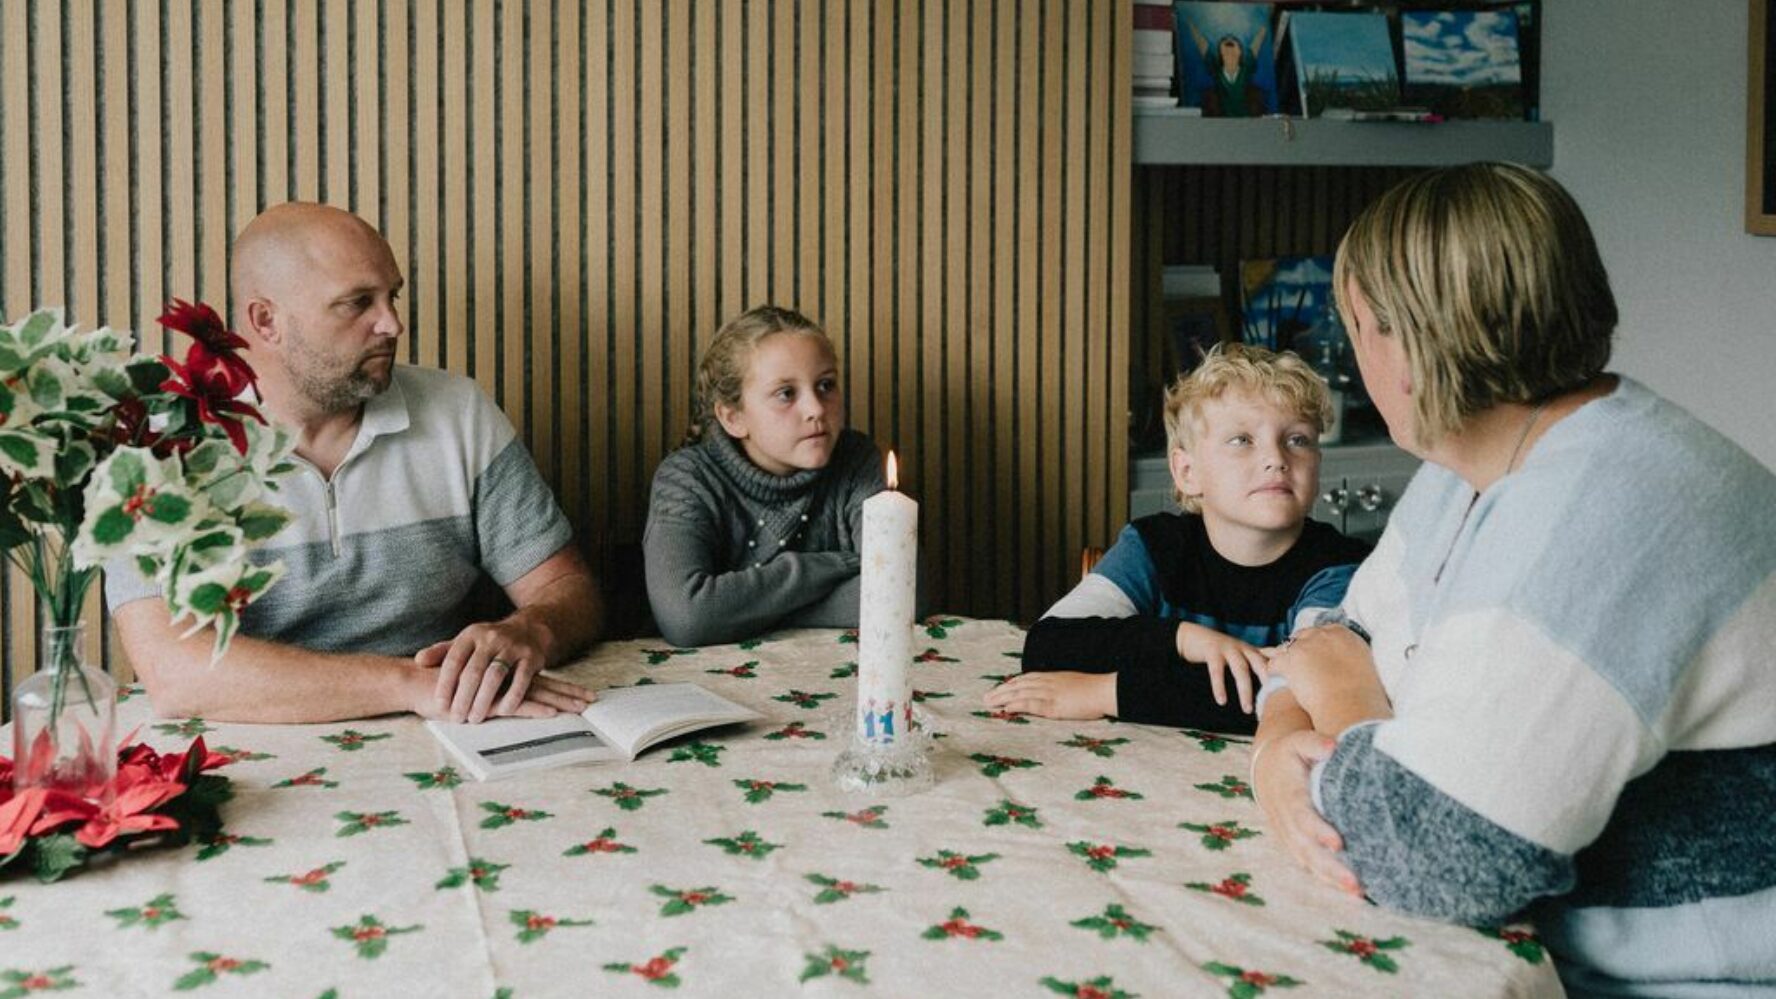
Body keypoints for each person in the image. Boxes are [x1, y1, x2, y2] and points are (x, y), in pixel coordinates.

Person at [1255, 162, 1776, 998]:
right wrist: (1280, 744)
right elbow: (1327, 638)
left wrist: (1342, 713)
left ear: (1411, 347)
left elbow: (1433, 857)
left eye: (1354, 326)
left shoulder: (1602, 511)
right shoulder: (1475, 463)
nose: (1349, 354)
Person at [107, 203, 602, 725]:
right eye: (356, 303)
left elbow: (567, 590)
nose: (392, 323)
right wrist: (410, 685)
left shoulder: (459, 413)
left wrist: (531, 629)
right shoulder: (160, 447)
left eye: (392, 296)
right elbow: (174, 671)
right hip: (250, 751)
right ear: (266, 321)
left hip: (452, 731)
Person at [988, 343, 1369, 732]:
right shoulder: (1153, 545)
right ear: (1186, 471)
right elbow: (1048, 647)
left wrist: (1102, 693)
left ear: (1317, 463)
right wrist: (1184, 640)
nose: (1276, 458)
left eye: (1298, 439)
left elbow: (1292, 697)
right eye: (1242, 440)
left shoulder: (1340, 568)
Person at [643, 305, 884, 647]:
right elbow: (688, 618)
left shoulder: (856, 461)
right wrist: (822, 569)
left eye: (826, 385)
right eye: (786, 393)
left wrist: (738, 615)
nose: (816, 409)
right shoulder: (687, 478)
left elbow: (904, 590)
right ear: (732, 417)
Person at [1188, 21, 1269, 118]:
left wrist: (1267, 20)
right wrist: (1189, 23)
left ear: (1240, 52)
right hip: (1224, 123)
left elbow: (1257, 42)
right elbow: (1201, 44)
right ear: (1220, 53)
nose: (1229, 40)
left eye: (1234, 42)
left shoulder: (1246, 69)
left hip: (1246, 121)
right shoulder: (1216, 71)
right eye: (1225, 41)